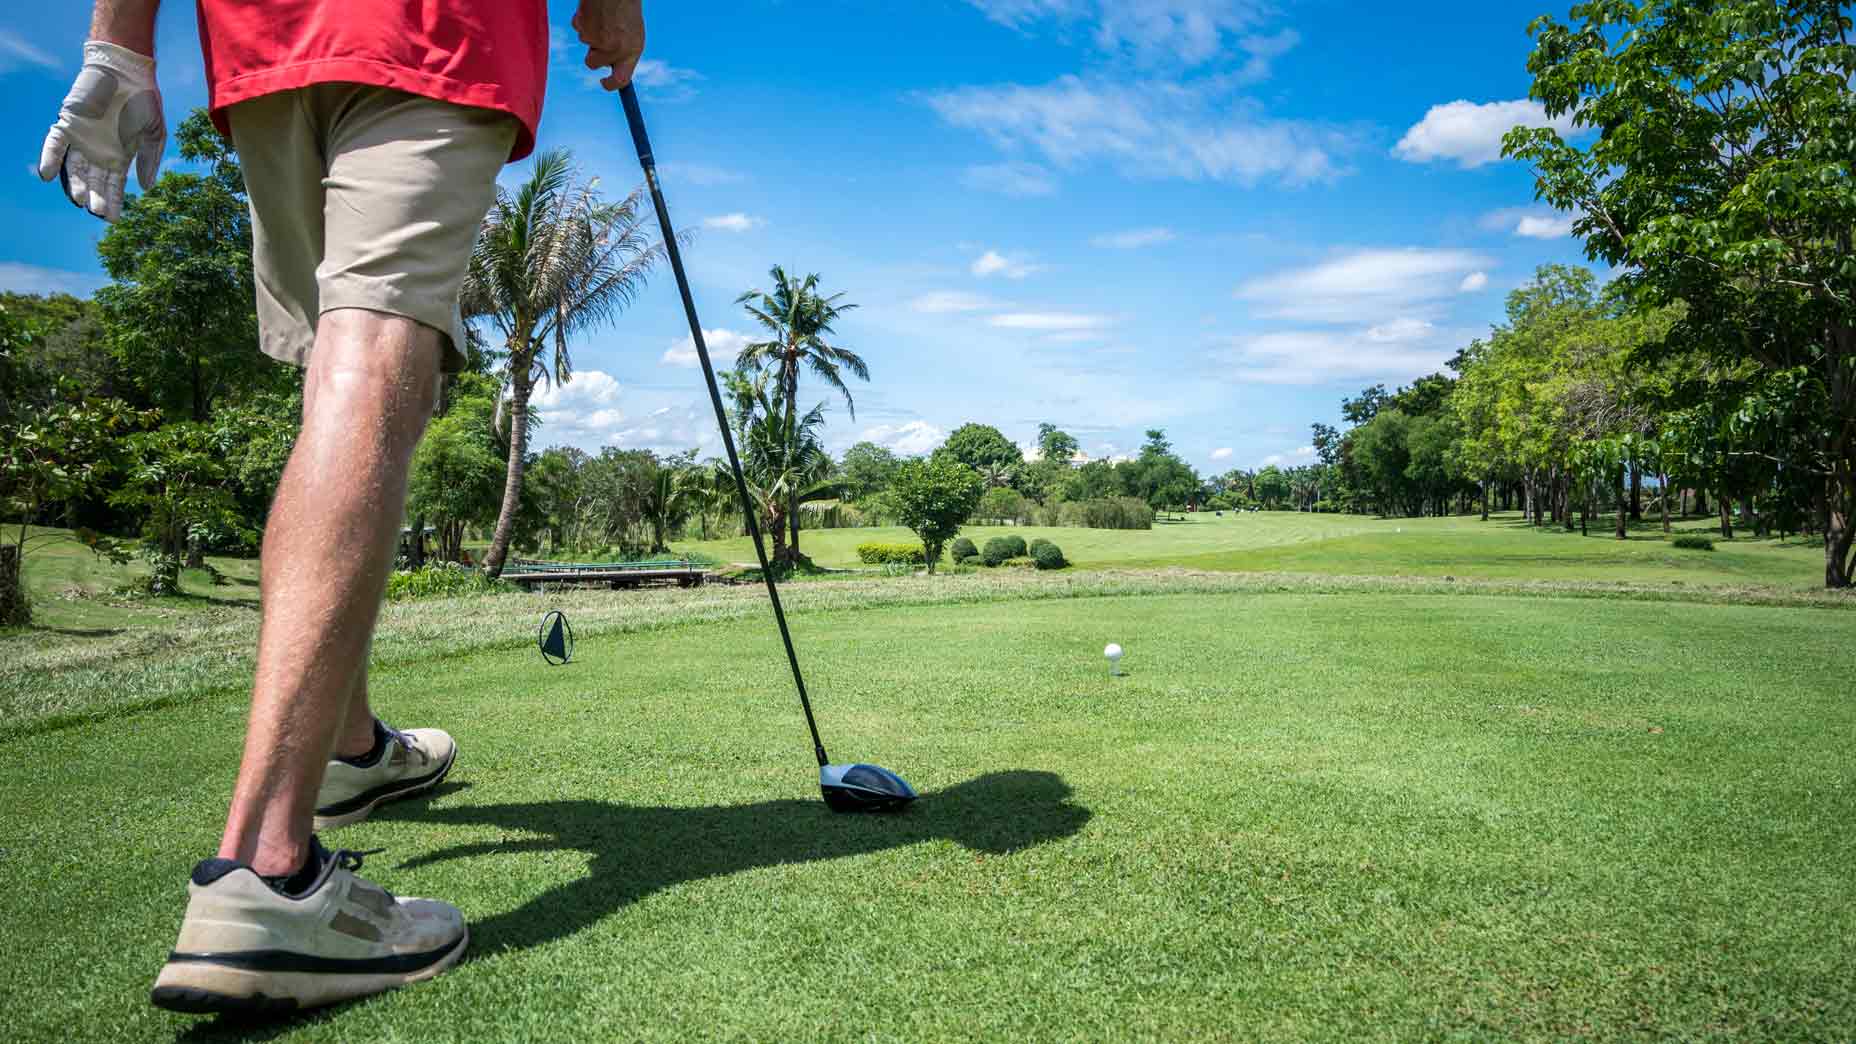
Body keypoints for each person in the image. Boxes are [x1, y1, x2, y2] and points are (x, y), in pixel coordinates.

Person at [39, 0, 645, 1016]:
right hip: (435, 32)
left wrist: (118, 41)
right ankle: (267, 874)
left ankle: (350, 751)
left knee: (336, 377)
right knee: (370, 370)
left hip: (266, 47)